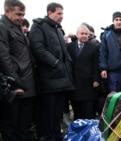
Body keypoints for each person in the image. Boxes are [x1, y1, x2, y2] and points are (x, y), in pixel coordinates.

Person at [28, 2, 75, 141]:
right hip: (49, 78)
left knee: (57, 112)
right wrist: (55, 63)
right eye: (59, 13)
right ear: (50, 12)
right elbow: (37, 48)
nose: (62, 16)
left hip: (62, 79)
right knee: (48, 112)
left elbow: (63, 52)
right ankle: (49, 137)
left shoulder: (57, 29)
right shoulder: (38, 26)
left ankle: (56, 135)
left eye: (62, 13)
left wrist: (68, 67)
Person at [0, 0, 36, 141]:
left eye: (23, 14)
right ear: (7, 11)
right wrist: (16, 83)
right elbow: (3, 58)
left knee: (24, 125)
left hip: (26, 84)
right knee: (11, 126)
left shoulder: (16, 27)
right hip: (16, 86)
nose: (21, 18)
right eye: (18, 14)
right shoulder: (3, 28)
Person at [67, 24, 100, 120]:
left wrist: (96, 80)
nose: (84, 36)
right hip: (74, 84)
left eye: (86, 34)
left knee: (89, 112)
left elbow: (96, 65)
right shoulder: (69, 47)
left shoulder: (94, 47)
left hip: (88, 84)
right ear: (77, 34)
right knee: (77, 112)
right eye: (82, 33)